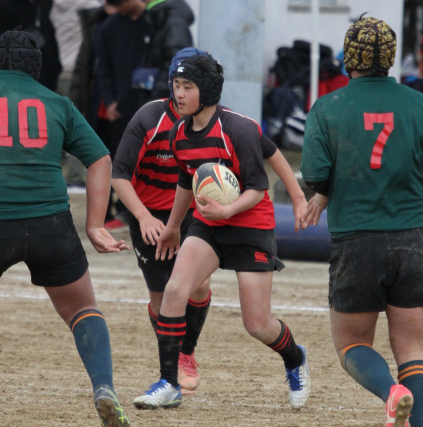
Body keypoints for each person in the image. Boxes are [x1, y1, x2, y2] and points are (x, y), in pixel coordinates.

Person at [0, 30, 131, 427]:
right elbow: (100, 159)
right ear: (37, 67)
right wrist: (95, 225)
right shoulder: (58, 102)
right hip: (52, 225)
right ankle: (104, 387)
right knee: (83, 308)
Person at [112, 47, 309, 396]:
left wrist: (292, 198)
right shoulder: (178, 132)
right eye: (176, 85)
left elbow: (258, 188)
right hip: (207, 224)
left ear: (207, 90)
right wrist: (173, 226)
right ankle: (169, 383)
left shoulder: (238, 128)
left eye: (187, 87)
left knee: (257, 324)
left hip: (250, 225)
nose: (179, 93)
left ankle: (295, 358)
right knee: (175, 290)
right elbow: (185, 181)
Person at [300, 16, 423, 427]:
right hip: (412, 237)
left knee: (351, 343)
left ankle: (391, 392)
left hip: (356, 239)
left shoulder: (328, 107)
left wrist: (326, 191)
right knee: (412, 347)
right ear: (390, 59)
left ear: (348, 58)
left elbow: (316, 176)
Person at [93, 0, 151, 230]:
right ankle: (107, 211)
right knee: (109, 159)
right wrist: (110, 101)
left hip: (141, 105)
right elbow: (102, 68)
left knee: (138, 161)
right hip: (114, 111)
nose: (118, 8)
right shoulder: (108, 27)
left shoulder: (152, 24)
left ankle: (129, 211)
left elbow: (150, 67)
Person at [0, 0, 62, 92]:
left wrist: (56, 69)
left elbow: (50, 41)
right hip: (18, 87)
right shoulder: (2, 9)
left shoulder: (40, 5)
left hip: (46, 85)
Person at [142, 0, 194, 100]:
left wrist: (156, 96)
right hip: (156, 94)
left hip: (164, 97)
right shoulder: (157, 17)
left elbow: (178, 62)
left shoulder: (173, 20)